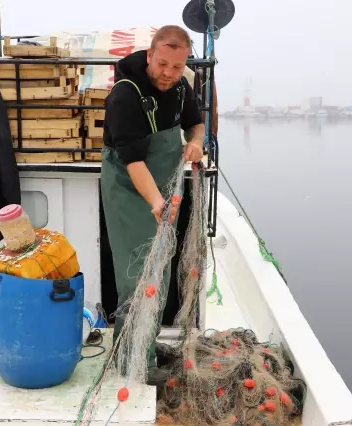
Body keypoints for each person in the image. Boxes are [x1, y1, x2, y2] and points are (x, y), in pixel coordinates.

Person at [100, 25, 205, 385]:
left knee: (159, 271)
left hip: (163, 187)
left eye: (177, 67)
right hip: (132, 189)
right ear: (150, 56)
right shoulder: (124, 96)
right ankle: (130, 359)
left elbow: (196, 123)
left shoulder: (179, 86)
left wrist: (195, 142)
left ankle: (145, 344)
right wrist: (157, 203)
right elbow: (133, 163)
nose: (169, 73)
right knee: (137, 271)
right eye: (163, 64)